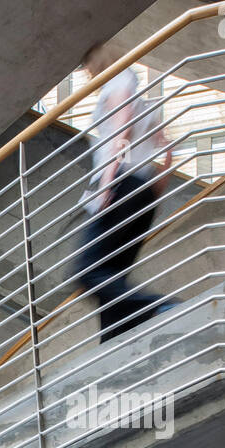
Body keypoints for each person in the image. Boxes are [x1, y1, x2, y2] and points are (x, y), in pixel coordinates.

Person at [75, 41, 175, 342]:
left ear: (99, 62)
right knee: (113, 275)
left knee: (87, 271)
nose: (86, 73)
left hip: (121, 184)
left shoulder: (119, 82)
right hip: (142, 190)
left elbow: (122, 129)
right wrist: (155, 188)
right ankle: (114, 349)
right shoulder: (144, 99)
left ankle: (158, 307)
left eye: (87, 66)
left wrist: (108, 182)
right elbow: (168, 149)